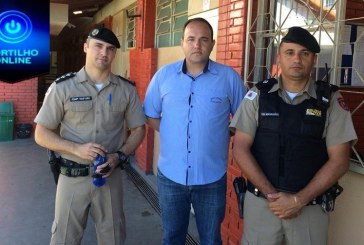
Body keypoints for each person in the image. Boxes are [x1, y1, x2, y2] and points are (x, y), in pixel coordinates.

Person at [230, 26, 357, 245]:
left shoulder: (331, 101)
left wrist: (298, 200)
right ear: (279, 56)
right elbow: (240, 149)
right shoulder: (258, 95)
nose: (297, 59)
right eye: (290, 52)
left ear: (314, 59)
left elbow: (340, 160)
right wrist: (273, 196)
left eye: (304, 53)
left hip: (309, 208)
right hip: (262, 205)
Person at [34, 27, 146, 245]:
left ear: (115, 54)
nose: (104, 53)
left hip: (110, 177)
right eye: (98, 46)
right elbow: (41, 133)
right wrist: (75, 149)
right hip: (71, 176)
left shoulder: (126, 90)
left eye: (110, 49)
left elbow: (139, 129)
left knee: (112, 238)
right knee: (64, 238)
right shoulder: (62, 88)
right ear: (86, 47)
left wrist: (120, 156)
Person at [143, 17, 245, 245]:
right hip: (171, 176)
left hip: (211, 177)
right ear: (182, 43)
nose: (197, 45)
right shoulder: (163, 76)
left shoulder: (229, 77)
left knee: (210, 239)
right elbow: (151, 114)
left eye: (203, 39)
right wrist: (171, 132)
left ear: (212, 43)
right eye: (191, 39)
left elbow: (243, 118)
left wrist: (221, 133)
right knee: (172, 237)